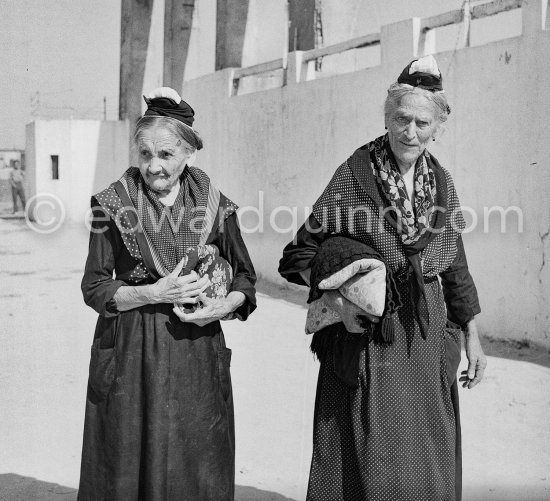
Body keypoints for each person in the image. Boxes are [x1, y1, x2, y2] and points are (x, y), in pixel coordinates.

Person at [279, 55, 486, 501]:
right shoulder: (355, 175)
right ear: (387, 117)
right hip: (370, 338)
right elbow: (299, 254)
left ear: (438, 128)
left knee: (426, 456)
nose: (410, 132)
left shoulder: (443, 185)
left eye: (422, 123)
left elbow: (455, 263)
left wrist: (471, 334)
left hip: (428, 338)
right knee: (368, 452)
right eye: (400, 119)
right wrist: (341, 300)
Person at [79, 87, 256, 500]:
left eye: (166, 155)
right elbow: (94, 287)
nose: (153, 166)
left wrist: (223, 305)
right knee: (126, 458)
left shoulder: (215, 206)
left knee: (194, 460)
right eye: (144, 154)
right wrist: (154, 292)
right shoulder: (113, 205)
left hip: (197, 348)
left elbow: (246, 279)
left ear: (189, 152)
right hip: (131, 351)